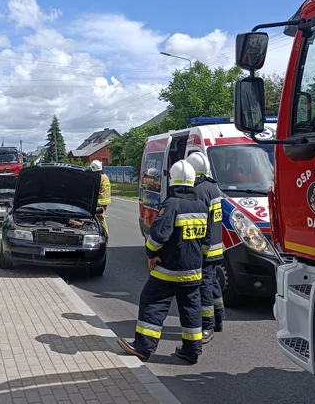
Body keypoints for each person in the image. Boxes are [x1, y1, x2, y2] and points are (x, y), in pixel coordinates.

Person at [117, 160, 208, 364]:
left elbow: (158, 236)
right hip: (194, 270)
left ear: (172, 180)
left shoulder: (172, 203)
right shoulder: (201, 205)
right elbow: (206, 239)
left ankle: (143, 347)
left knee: (152, 302)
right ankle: (191, 351)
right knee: (191, 309)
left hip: (169, 269)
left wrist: (151, 254)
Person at [186, 152, 225, 342]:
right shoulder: (213, 187)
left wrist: (200, 249)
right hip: (217, 247)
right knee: (213, 283)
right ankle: (219, 319)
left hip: (206, 249)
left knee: (204, 286)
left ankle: (207, 325)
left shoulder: (199, 191)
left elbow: (202, 224)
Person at [90, 160, 111, 233]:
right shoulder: (105, 176)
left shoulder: (99, 178)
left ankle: (104, 234)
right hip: (105, 200)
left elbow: (94, 188)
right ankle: (104, 233)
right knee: (101, 218)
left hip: (100, 201)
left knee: (100, 218)